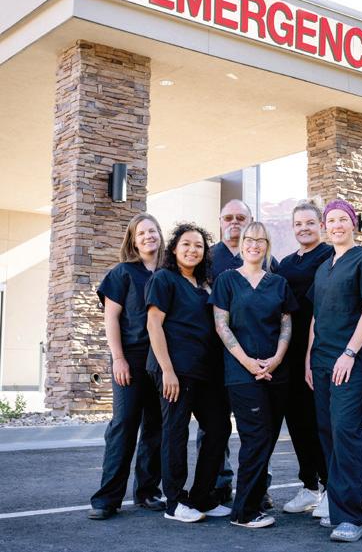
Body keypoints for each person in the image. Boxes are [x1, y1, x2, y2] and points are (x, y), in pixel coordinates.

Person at [305, 199, 362, 543]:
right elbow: (316, 316)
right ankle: (338, 506)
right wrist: (308, 359)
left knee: (345, 431)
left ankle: (352, 517)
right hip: (321, 361)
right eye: (331, 220)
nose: (337, 225)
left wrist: (350, 353)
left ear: (354, 224)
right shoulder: (324, 266)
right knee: (327, 432)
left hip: (349, 362)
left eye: (343, 219)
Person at [210, 221, 297, 528]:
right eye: (249, 239)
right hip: (242, 373)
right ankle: (244, 512)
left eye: (260, 240)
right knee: (255, 438)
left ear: (267, 246)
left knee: (267, 440)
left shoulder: (278, 283)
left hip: (276, 372)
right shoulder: (227, 280)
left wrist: (276, 359)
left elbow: (286, 325)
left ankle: (256, 501)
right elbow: (221, 325)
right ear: (242, 243)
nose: (254, 244)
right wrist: (248, 362)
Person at [145, 223, 231, 523]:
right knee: (176, 432)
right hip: (175, 371)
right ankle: (174, 502)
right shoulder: (164, 279)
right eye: (186, 244)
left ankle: (202, 496)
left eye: (199, 246)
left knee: (219, 427)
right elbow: (153, 325)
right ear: (174, 249)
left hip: (204, 372)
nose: (192, 250)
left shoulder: (205, 284)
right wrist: (167, 370)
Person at [201, 199, 277, 508]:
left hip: (257, 361)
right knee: (214, 426)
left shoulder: (268, 261)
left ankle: (259, 487)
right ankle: (217, 486)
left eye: (240, 218)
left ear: (250, 221)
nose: (234, 222)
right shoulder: (208, 258)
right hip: (214, 358)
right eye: (228, 217)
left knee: (259, 429)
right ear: (220, 221)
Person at [88, 213, 165, 520]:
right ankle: (107, 499)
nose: (148, 236)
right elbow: (111, 318)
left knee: (155, 427)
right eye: (141, 233)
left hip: (161, 360)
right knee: (123, 425)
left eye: (152, 231)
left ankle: (148, 492)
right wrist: (118, 358)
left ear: (160, 234)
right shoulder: (122, 273)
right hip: (130, 358)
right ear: (133, 240)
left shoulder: (168, 273)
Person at [276, 199, 332, 515]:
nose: (304, 228)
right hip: (289, 354)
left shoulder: (329, 256)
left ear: (321, 225)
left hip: (319, 352)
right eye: (298, 224)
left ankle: (331, 488)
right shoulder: (285, 264)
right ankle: (309, 486)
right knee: (297, 423)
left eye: (310, 222)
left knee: (320, 423)